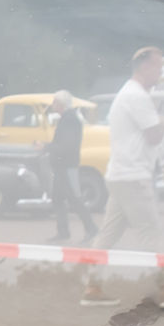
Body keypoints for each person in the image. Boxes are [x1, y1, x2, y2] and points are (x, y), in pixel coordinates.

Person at [82, 46, 164, 308]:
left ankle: (92, 285)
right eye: (158, 66)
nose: (161, 72)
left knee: (107, 235)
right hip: (133, 175)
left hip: (121, 174)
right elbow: (154, 135)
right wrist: (163, 120)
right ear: (145, 67)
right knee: (150, 231)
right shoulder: (136, 96)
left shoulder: (129, 93)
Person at [40, 90, 93, 244]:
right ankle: (63, 232)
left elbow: (66, 145)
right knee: (57, 198)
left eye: (55, 102)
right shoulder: (68, 118)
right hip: (62, 166)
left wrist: (46, 147)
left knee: (75, 198)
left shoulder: (69, 120)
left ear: (61, 104)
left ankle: (91, 228)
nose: (52, 105)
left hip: (67, 165)